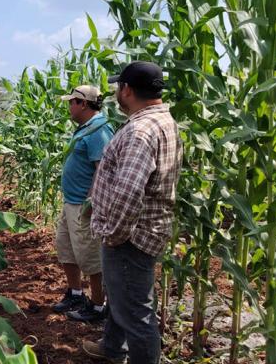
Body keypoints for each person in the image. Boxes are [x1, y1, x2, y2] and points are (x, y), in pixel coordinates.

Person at [82, 62, 182, 364]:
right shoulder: (163, 122)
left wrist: (113, 235)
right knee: (120, 295)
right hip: (143, 230)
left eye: (117, 87)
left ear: (127, 89)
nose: (115, 93)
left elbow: (128, 192)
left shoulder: (140, 131)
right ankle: (112, 348)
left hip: (130, 237)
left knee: (137, 314)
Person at [52, 85, 113, 323]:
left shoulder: (99, 130)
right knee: (66, 250)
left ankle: (98, 307)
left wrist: (90, 203)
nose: (69, 106)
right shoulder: (84, 129)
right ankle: (76, 293)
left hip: (83, 207)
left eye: (72, 102)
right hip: (70, 202)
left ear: (83, 104)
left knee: (90, 258)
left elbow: (103, 171)